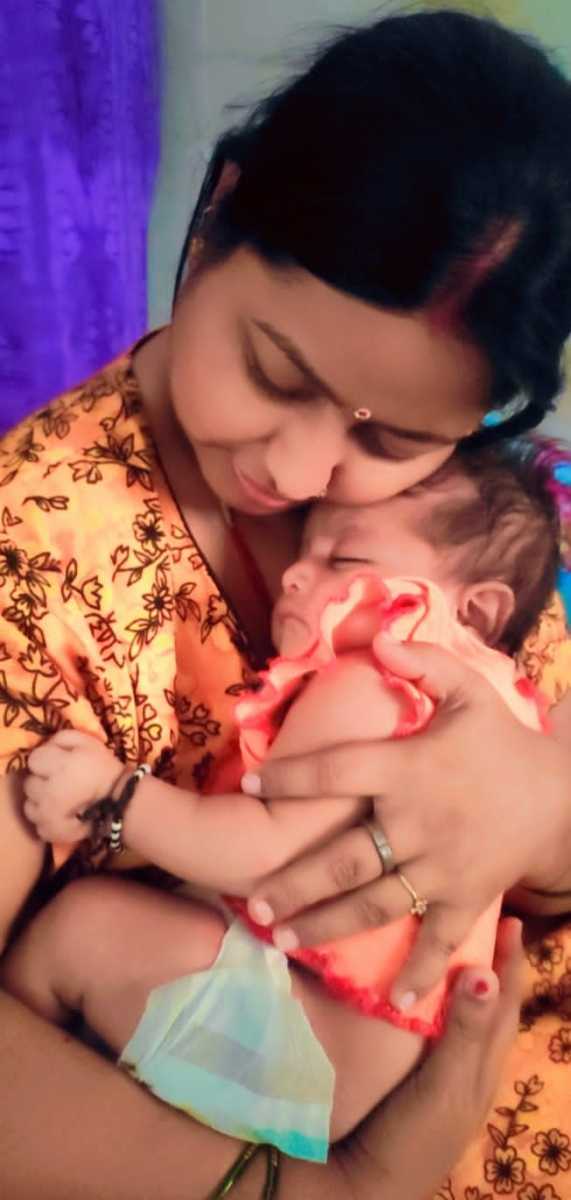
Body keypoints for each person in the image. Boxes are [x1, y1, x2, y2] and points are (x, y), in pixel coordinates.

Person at [0, 8, 570, 1196]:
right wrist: (306, 1192)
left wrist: (538, 810)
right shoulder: (35, 554)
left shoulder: (470, 513)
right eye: (274, 372)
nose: (299, 473)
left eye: (393, 440)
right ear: (215, 217)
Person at [1, 444, 561, 1165]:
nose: (297, 572)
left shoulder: (382, 681)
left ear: (475, 609)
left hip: (315, 1043)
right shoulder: (502, 709)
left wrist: (117, 797)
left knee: (78, 933)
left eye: (345, 559)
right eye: (305, 549)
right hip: (355, 1052)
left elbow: (264, 853)